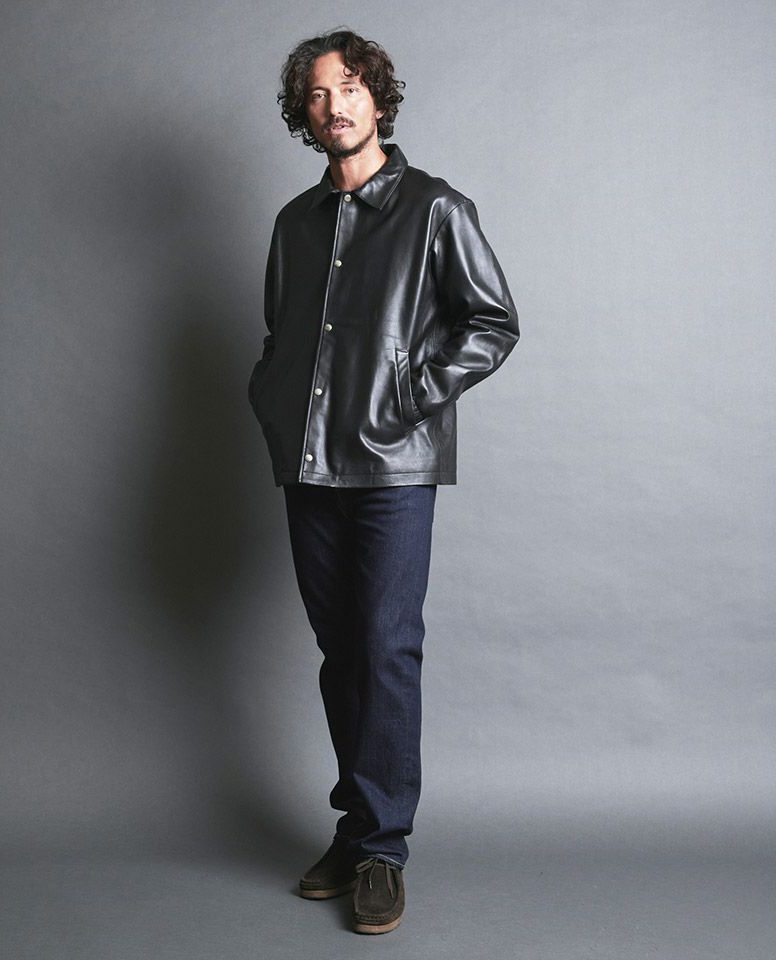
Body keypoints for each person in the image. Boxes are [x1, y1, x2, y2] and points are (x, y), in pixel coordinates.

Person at [248, 28, 520, 934]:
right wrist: (275, 402)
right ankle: (357, 825)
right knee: (342, 652)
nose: (337, 105)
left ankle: (383, 852)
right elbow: (279, 337)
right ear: (305, 112)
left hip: (395, 464)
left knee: (387, 644)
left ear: (378, 98)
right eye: (319, 93)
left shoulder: (435, 208)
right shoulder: (295, 223)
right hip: (309, 466)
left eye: (351, 87)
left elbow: (492, 322)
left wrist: (406, 395)